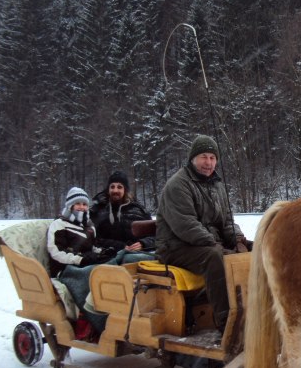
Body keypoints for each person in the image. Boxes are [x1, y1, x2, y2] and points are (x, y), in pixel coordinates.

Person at [155, 135, 237, 334]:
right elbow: (185, 225)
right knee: (214, 257)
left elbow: (226, 221)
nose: (208, 163)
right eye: (203, 157)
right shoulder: (178, 184)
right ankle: (227, 322)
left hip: (204, 244)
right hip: (175, 247)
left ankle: (248, 309)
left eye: (212, 157)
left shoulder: (217, 186)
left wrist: (240, 241)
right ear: (193, 159)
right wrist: (216, 245)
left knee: (249, 252)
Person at [47, 186, 117, 339]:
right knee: (91, 276)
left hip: (85, 264)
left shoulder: (89, 225)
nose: (82, 207)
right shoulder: (58, 224)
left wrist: (103, 252)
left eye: (84, 204)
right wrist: (80, 259)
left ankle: (112, 317)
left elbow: (93, 247)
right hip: (65, 269)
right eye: (78, 203)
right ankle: (87, 320)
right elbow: (56, 252)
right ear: (70, 205)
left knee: (110, 272)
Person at [89, 171, 155, 252]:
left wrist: (143, 243)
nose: (115, 190)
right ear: (108, 189)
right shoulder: (97, 211)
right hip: (107, 257)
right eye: (112, 187)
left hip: (137, 256)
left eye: (119, 187)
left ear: (125, 190)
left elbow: (155, 236)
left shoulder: (139, 211)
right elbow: (92, 239)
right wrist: (119, 246)